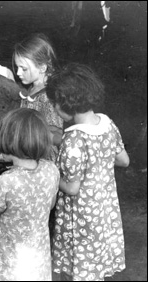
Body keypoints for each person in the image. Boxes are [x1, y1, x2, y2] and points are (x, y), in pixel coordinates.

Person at [46, 63, 130, 281]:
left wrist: (51, 172)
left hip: (80, 215)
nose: (54, 107)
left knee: (79, 265)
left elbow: (72, 188)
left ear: (67, 103)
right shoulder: (107, 123)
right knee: (95, 260)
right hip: (103, 210)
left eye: (55, 102)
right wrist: (98, 162)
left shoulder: (73, 139)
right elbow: (123, 160)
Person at [0, 107, 60, 280]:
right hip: (36, 259)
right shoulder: (51, 170)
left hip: (7, 262)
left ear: (7, 140)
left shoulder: (5, 182)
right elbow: (50, 205)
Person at [13, 33, 63, 162]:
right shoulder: (33, 89)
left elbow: (56, 136)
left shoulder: (49, 97)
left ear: (42, 68)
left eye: (23, 69)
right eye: (17, 67)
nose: (18, 73)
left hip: (43, 160)